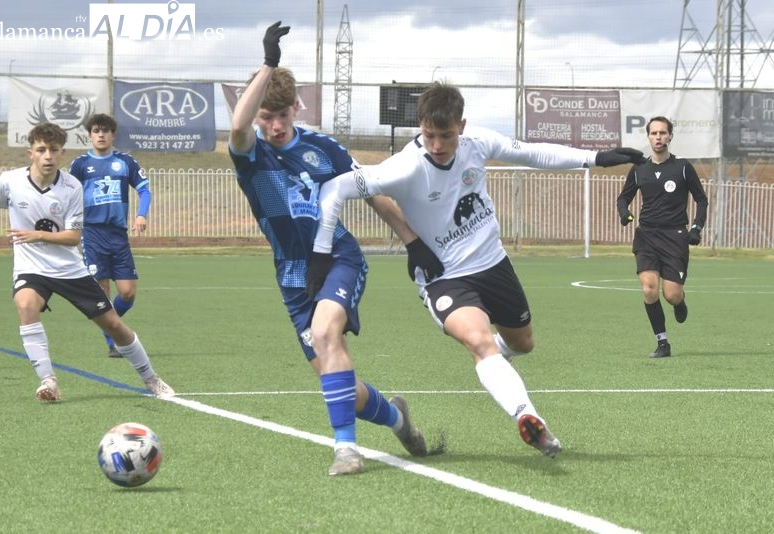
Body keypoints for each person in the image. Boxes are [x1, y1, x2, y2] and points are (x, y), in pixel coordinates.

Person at [308, 82, 647, 458]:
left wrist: (596, 158)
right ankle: (529, 418)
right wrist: (321, 255)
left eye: (447, 135)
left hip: (493, 264)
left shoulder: (478, 143)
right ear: (420, 126)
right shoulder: (403, 167)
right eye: (430, 135)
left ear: (462, 126)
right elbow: (335, 191)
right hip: (444, 276)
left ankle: (496, 364)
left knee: (522, 343)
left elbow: (532, 153)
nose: (438, 145)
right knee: (478, 341)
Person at [228, 21, 439, 476]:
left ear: (295, 108)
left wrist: (413, 243)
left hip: (338, 258)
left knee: (327, 334)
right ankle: (400, 419)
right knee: (334, 378)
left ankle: (346, 450)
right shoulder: (248, 153)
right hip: (291, 276)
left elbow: (373, 192)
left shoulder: (324, 149)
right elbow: (238, 124)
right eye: (267, 116)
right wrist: (268, 65)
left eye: (283, 114)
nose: (277, 125)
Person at [0, 123, 174, 401]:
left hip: (69, 269)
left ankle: (151, 378)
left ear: (62, 153)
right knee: (25, 305)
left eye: (54, 150)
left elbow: (73, 237)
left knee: (113, 325)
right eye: (42, 150)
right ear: (30, 152)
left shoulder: (71, 187)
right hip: (31, 268)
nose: (48, 156)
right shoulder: (10, 180)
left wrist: (38, 235)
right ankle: (48, 381)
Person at [616, 116, 708, 358]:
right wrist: (624, 213)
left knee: (671, 294)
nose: (658, 137)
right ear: (648, 137)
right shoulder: (639, 169)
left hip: (675, 237)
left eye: (662, 133)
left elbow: (701, 199)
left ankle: (679, 302)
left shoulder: (683, 167)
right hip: (646, 235)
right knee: (648, 289)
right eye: (654, 133)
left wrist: (696, 227)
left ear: (670, 136)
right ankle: (663, 343)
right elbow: (623, 197)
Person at [69, 114, 151, 358]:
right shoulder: (80, 164)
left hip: (119, 235)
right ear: (90, 135)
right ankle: (113, 340)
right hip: (92, 234)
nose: (101, 135)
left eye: (106, 131)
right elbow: (68, 195)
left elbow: (145, 190)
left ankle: (110, 327)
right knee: (101, 289)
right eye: (96, 131)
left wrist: (141, 215)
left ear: (113, 135)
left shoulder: (125, 162)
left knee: (128, 293)